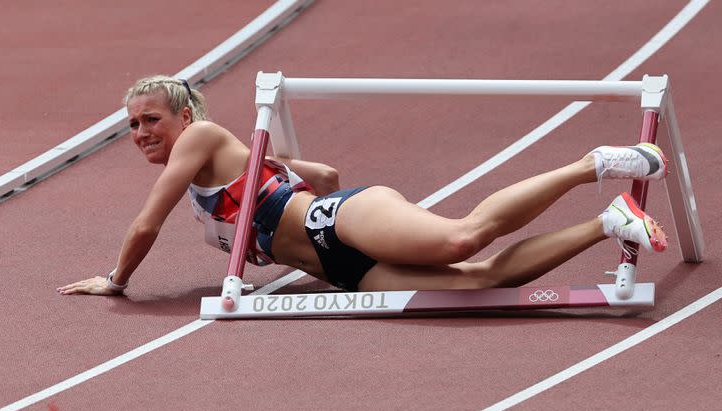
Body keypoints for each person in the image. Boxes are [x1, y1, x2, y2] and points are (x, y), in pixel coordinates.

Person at [57, 75, 668, 296]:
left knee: (461, 241)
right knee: (485, 281)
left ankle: (590, 165)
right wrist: (281, 174)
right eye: (132, 125)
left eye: (150, 120)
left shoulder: (199, 139)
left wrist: (114, 282)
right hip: (342, 270)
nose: (140, 132)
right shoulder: (216, 162)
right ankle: (605, 221)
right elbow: (321, 175)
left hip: (335, 221)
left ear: (184, 117)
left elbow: (146, 224)